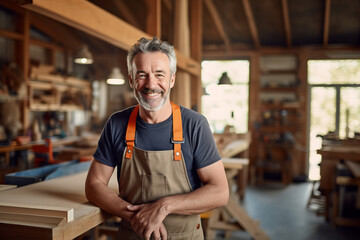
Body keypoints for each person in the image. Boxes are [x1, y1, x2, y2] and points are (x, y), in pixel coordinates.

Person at [85, 37, 229, 240]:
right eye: (142, 75)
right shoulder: (117, 124)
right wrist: (137, 217)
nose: (151, 84)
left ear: (172, 79)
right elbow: (94, 184)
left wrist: (163, 207)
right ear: (131, 80)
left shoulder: (195, 125)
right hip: (132, 235)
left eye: (159, 74)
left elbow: (220, 192)